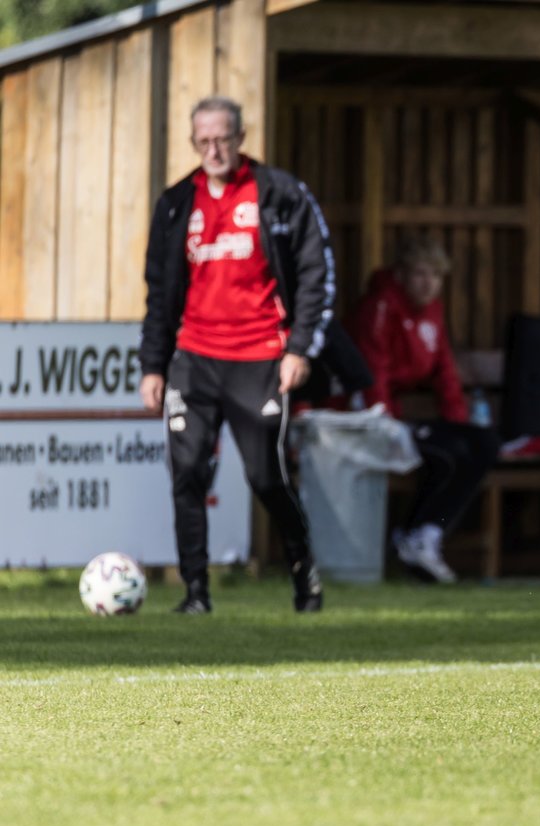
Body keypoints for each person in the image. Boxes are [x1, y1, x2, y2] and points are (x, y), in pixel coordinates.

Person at [140, 95, 333, 614]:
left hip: (261, 359)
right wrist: (153, 365)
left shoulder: (280, 194)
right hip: (194, 358)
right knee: (186, 473)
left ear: (241, 137)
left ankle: (304, 575)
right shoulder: (178, 202)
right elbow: (160, 292)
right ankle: (196, 593)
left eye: (223, 138)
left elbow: (318, 273)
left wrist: (300, 350)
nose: (214, 148)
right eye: (203, 140)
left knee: (265, 477)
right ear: (193, 143)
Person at [349, 240, 499, 583]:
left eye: (435, 275)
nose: (428, 283)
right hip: (371, 419)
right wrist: (384, 421)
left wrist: (458, 422)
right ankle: (414, 534)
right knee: (449, 453)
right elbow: (374, 372)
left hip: (405, 418)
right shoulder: (381, 307)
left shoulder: (433, 311)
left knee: (483, 443)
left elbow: (444, 371)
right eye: (420, 274)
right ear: (401, 275)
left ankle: (424, 532)